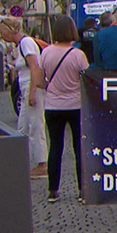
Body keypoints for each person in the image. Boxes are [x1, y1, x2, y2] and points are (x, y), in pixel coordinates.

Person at [39, 16, 89, 203]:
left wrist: (51, 88)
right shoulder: (78, 55)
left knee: (55, 147)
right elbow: (85, 79)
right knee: (78, 147)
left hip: (53, 105)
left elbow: (38, 81)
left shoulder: (45, 53)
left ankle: (53, 189)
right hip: (75, 105)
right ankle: (82, 189)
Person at [0, 17, 47, 178]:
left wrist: (32, 91)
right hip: (26, 86)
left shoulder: (26, 43)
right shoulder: (22, 45)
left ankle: (42, 163)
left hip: (30, 86)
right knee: (23, 126)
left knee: (35, 124)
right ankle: (23, 161)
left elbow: (34, 67)